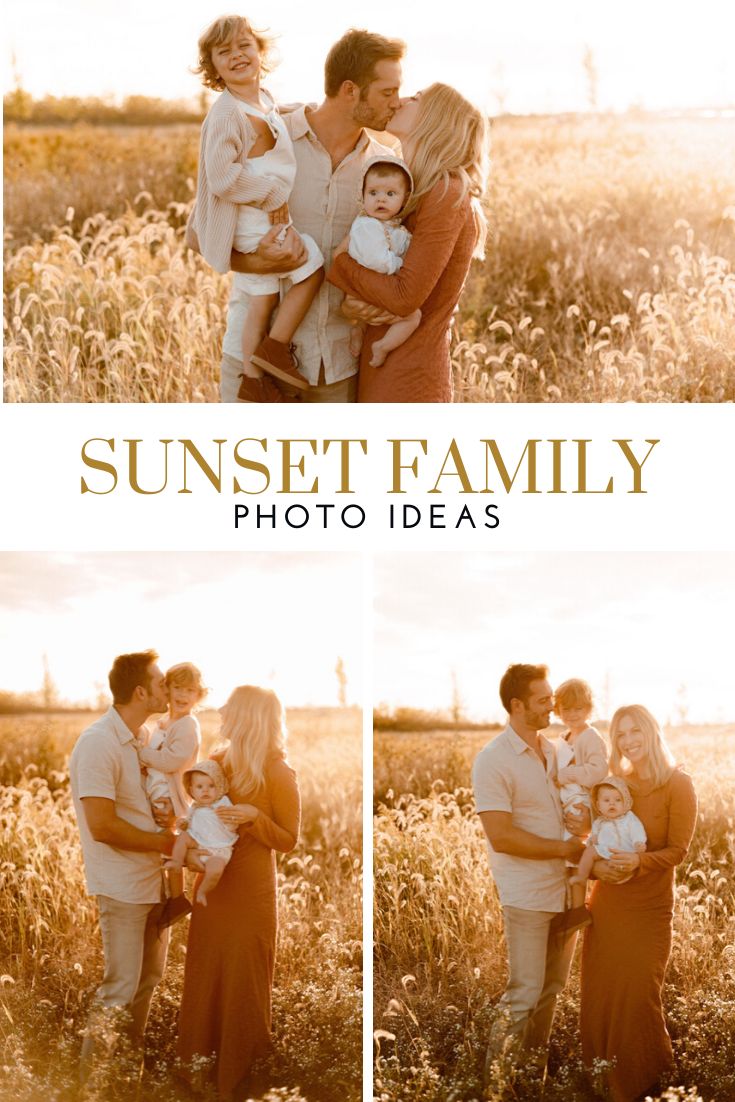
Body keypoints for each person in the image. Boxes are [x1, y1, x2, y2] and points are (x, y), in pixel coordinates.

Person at [186, 28, 405, 403]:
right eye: (388, 91)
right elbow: (197, 235)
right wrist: (259, 261)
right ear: (350, 90)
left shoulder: (384, 171)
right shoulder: (269, 135)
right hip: (251, 360)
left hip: (334, 367)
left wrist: (366, 305)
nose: (397, 103)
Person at [188, 15, 325, 403]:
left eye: (244, 46)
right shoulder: (226, 115)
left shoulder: (263, 101)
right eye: (224, 52)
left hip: (263, 216)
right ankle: (266, 360)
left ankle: (258, 373)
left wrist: (311, 110)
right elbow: (222, 178)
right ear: (213, 66)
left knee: (263, 296)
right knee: (307, 266)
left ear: (260, 52)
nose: (236, 56)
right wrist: (272, 195)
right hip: (250, 221)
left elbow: (277, 114)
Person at [327, 82, 490, 402]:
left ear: (435, 118)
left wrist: (340, 263)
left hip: (409, 376)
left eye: (415, 98)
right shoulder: (414, 193)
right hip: (386, 364)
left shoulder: (447, 191)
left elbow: (404, 298)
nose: (400, 101)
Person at [176, 685, 301, 1099]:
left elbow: (288, 839)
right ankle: (195, 1078)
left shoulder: (279, 772)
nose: (221, 714)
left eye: (229, 709)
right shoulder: (216, 763)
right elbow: (197, 815)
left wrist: (253, 817)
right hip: (214, 889)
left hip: (251, 893)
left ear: (248, 717)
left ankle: (240, 1083)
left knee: (245, 984)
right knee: (205, 975)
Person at [472, 664, 587, 1086]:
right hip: (526, 895)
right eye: (543, 699)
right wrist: (563, 848)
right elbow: (501, 836)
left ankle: (531, 1079)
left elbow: (580, 803)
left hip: (567, 890)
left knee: (551, 990)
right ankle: (495, 1087)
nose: (553, 706)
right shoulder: (493, 761)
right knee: (523, 994)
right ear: (517, 705)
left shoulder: (558, 752)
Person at [69, 650, 176, 1095]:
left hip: (154, 883)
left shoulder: (143, 736)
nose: (167, 690)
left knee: (146, 984)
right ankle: (92, 1088)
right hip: (123, 887)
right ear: (140, 692)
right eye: (160, 683)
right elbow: (103, 825)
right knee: (119, 989)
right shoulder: (98, 742)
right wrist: (167, 844)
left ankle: (127, 1081)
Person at [580, 705, 697, 1102]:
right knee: (603, 990)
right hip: (609, 903)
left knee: (639, 992)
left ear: (651, 731)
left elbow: (679, 850)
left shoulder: (678, 783)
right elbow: (593, 839)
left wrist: (641, 861)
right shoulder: (615, 784)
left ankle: (646, 1084)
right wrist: (596, 867)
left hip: (649, 906)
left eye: (635, 731)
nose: (628, 741)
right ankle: (602, 1082)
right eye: (620, 734)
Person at [136, 661, 206, 926]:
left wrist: (140, 755)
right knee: (161, 846)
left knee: (168, 842)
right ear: (167, 689)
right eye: (177, 688)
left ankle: (176, 898)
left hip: (169, 794)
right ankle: (168, 898)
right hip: (155, 789)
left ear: (198, 696)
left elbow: (170, 761)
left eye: (190, 690)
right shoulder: (164, 722)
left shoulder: (188, 725)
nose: (182, 695)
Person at [345, 155, 420, 366]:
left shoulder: (394, 227)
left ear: (404, 199)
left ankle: (359, 330)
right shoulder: (367, 225)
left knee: (364, 316)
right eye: (373, 193)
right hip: (367, 282)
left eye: (390, 194)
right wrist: (401, 265)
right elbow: (376, 261)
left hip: (372, 284)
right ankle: (383, 346)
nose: (381, 199)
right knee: (412, 316)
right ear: (362, 195)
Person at [552, 677, 608, 931]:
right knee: (561, 854)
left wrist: (569, 775)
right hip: (564, 799)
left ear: (589, 709)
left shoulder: (590, 737)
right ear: (557, 710)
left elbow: (599, 770)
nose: (572, 714)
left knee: (572, 850)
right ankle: (567, 906)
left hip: (580, 799)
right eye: (566, 709)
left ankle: (577, 910)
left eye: (579, 709)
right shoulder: (564, 736)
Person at [165, 760, 239, 906]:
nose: (205, 791)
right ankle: (176, 862)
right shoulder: (195, 807)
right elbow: (189, 823)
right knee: (183, 837)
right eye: (200, 787)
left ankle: (202, 891)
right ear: (192, 791)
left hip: (219, 848)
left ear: (220, 786)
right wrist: (183, 824)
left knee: (216, 870)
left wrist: (229, 819)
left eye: (211, 786)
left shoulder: (223, 802)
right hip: (198, 842)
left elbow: (233, 822)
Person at [570, 776, 647, 885]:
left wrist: (638, 841)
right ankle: (582, 876)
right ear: (598, 805)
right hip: (605, 850)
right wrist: (593, 840)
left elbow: (637, 829)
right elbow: (594, 835)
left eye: (618, 800)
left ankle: (624, 874)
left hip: (625, 851)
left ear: (625, 802)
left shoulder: (628, 817)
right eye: (606, 800)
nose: (612, 803)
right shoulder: (599, 822)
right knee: (589, 852)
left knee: (623, 864)